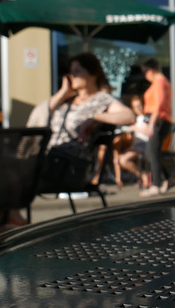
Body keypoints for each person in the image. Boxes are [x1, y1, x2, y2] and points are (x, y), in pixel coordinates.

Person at [30, 52, 135, 198]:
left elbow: (129, 116)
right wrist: (62, 93)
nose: (72, 76)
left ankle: (11, 218)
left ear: (93, 74)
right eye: (71, 72)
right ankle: (12, 218)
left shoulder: (101, 99)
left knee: (14, 176)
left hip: (69, 168)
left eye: (77, 72)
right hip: (47, 160)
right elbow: (36, 118)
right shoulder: (65, 101)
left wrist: (95, 117)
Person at [138, 58, 174, 197]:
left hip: (159, 121)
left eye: (145, 73)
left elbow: (158, 106)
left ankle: (156, 185)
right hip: (160, 120)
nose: (145, 76)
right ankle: (169, 179)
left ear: (150, 71)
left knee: (152, 152)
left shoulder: (159, 81)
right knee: (152, 152)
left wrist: (151, 124)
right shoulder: (162, 81)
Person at [113, 94, 150, 189]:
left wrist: (134, 128)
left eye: (139, 105)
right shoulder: (136, 119)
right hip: (136, 145)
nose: (138, 108)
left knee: (123, 160)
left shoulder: (147, 117)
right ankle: (142, 175)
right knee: (118, 157)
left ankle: (143, 176)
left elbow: (148, 132)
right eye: (135, 107)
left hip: (145, 144)